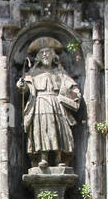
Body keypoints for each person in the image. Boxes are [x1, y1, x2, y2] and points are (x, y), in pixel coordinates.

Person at [16, 35, 81, 170]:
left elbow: (72, 88)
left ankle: (59, 158)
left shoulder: (60, 73)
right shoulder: (32, 74)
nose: (45, 55)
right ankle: (43, 157)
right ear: (38, 57)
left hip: (57, 104)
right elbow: (26, 89)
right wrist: (22, 86)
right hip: (39, 103)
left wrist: (72, 96)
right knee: (42, 131)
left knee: (58, 130)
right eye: (42, 53)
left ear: (54, 56)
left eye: (48, 53)